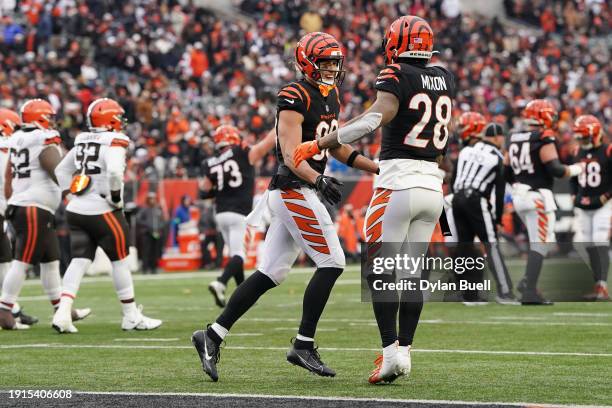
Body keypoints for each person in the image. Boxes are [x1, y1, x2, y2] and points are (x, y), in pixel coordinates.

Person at [192, 32, 378, 382]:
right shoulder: (293, 95)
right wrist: (319, 180)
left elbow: (335, 146)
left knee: (270, 273)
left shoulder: (331, 94)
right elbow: (292, 155)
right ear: (307, 62)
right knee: (333, 261)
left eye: (334, 63)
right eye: (324, 63)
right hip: (294, 188)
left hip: (298, 189)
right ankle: (303, 344)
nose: (331, 69)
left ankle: (212, 335)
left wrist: (377, 167)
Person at [293, 16, 455, 384]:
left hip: (397, 184)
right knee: (412, 274)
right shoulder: (444, 77)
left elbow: (372, 120)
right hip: (432, 185)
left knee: (380, 271)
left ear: (397, 43)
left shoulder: (396, 74)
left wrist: (319, 143)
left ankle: (389, 354)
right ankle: (406, 353)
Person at [52, 98, 162, 333]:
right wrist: (114, 198)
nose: (121, 123)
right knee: (120, 261)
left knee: (79, 260)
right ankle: (131, 315)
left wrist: (68, 196)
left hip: (76, 210)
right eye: (119, 118)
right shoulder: (114, 140)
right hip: (102, 209)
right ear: (110, 119)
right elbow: (113, 172)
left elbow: (61, 170)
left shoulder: (82, 139)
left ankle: (63, 312)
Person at [0, 99, 90, 330]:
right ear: (39, 117)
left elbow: (9, 174)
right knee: (21, 261)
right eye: (49, 116)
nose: (52, 121)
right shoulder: (41, 138)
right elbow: (56, 169)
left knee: (51, 260)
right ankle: (4, 310)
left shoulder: (18, 138)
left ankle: (63, 309)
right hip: (33, 207)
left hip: (29, 205)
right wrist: (75, 189)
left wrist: (12, 199)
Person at [507, 99, 584, 305]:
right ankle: (530, 291)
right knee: (540, 245)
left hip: (520, 196)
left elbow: (505, 170)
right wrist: (578, 168)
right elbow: (556, 170)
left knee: (538, 243)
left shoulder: (514, 137)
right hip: (538, 197)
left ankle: (527, 283)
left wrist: (519, 184)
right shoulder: (543, 136)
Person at [202, 126, 276, 307]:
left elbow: (205, 190)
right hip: (238, 212)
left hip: (220, 213)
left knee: (236, 255)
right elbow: (265, 144)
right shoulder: (241, 151)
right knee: (238, 255)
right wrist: (280, 124)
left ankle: (242, 293)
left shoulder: (210, 162)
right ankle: (221, 282)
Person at [451, 117, 518, 305]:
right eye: (502, 137)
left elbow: (455, 178)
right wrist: (497, 218)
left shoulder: (466, 150)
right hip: (476, 200)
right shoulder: (497, 157)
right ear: (497, 138)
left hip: (457, 199)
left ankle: (469, 295)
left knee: (464, 246)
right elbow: (499, 191)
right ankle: (505, 292)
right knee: (492, 244)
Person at [0, 108, 38, 327]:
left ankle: (11, 309)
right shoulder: (8, 148)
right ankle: (11, 310)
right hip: (4, 209)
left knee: (5, 260)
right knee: (7, 259)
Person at [569, 115, 610, 300]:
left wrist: (606, 196)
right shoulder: (577, 150)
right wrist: (572, 194)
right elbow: (572, 177)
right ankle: (597, 284)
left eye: (584, 136)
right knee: (586, 244)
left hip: (603, 204)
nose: (581, 140)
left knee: (599, 240)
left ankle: (602, 286)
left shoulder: (608, 150)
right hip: (584, 203)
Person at [136, 192, 166, 275]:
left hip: (156, 233)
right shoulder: (144, 209)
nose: (152, 200)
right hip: (147, 233)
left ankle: (154, 268)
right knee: (146, 251)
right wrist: (147, 225)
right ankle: (145, 268)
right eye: (151, 198)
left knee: (155, 251)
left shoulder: (158, 209)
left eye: (153, 198)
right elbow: (138, 219)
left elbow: (162, 221)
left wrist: (159, 227)